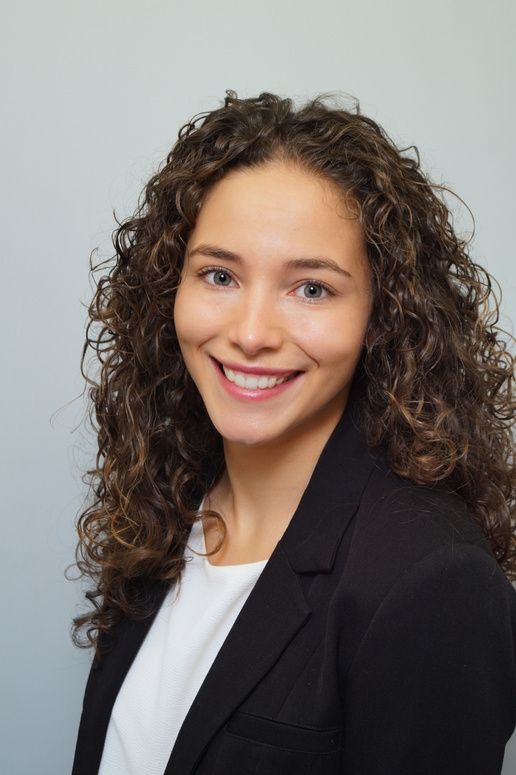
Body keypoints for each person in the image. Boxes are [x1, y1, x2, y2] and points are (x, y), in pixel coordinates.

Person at [70, 90, 516, 775]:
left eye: (311, 288)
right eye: (219, 274)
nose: (250, 334)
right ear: (172, 289)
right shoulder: (165, 499)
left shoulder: (432, 581)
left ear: (383, 313)